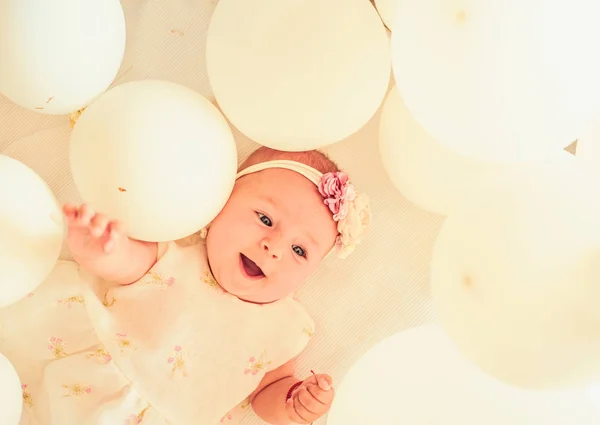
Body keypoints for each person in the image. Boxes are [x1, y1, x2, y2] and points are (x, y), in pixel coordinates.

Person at [0, 147, 370, 425]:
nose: (273, 248)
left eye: (299, 250)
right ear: (221, 204)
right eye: (265, 218)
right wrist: (97, 248)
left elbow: (265, 394)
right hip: (88, 379)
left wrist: (292, 401)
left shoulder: (285, 326)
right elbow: (124, 264)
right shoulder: (177, 254)